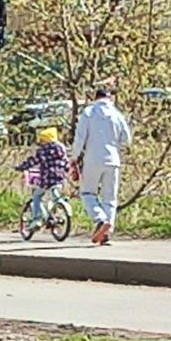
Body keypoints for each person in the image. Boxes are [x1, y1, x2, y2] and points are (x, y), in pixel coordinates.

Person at [70, 87, 132, 245]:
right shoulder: (117, 115)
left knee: (87, 193)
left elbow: (80, 137)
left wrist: (74, 157)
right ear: (109, 98)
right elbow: (126, 139)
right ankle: (106, 232)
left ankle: (100, 219)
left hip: (93, 159)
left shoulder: (89, 113)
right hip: (113, 160)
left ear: (95, 98)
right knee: (110, 198)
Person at [14, 126, 69, 231]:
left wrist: (21, 167)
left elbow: (33, 161)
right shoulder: (62, 148)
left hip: (47, 179)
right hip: (60, 178)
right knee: (55, 196)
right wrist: (65, 171)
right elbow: (66, 162)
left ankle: (37, 219)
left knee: (37, 196)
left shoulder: (44, 150)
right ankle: (59, 213)